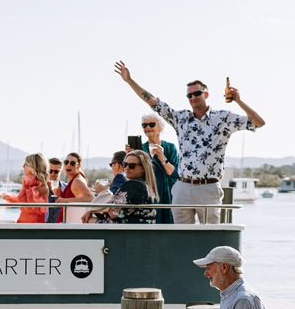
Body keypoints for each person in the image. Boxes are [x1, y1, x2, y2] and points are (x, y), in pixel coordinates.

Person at [114, 61, 265, 224]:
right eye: (189, 95)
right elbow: (153, 102)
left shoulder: (223, 118)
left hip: (209, 188)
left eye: (197, 93)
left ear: (206, 94)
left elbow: (258, 122)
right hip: (183, 187)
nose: (193, 98)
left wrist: (238, 100)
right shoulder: (181, 119)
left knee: (211, 238)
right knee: (180, 237)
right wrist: (129, 81)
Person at [139, 115, 180, 224]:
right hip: (147, 193)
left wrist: (162, 158)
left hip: (167, 193)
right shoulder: (140, 149)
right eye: (144, 125)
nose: (148, 127)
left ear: (160, 128)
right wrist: (130, 155)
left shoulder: (170, 148)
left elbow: (174, 173)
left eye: (152, 124)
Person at [99, 150, 158, 224]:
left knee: (89, 220)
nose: (127, 168)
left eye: (132, 166)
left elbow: (114, 213)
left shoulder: (132, 185)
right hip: (141, 230)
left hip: (126, 230)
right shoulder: (148, 186)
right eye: (125, 164)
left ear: (143, 168)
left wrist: (102, 191)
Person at [1, 154, 50, 223]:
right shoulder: (31, 183)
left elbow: (26, 205)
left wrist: (10, 198)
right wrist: (9, 197)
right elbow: (24, 202)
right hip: (25, 221)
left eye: (26, 164)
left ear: (33, 167)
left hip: (33, 224)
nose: (23, 166)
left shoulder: (39, 185)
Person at [53, 153, 95, 221]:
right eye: (66, 162)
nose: (68, 165)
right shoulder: (76, 178)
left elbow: (91, 198)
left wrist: (65, 200)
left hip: (71, 222)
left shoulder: (77, 181)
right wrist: (61, 194)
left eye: (72, 163)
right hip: (70, 220)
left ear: (79, 165)